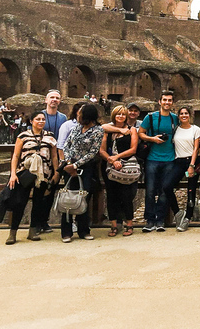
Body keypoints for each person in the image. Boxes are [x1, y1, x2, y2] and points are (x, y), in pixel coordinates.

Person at [5, 111, 59, 245]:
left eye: (43, 119)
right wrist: (13, 174)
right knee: (20, 202)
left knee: (39, 202)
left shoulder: (50, 137)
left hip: (44, 174)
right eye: (37, 119)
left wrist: (56, 173)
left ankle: (33, 230)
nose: (41, 121)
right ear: (31, 121)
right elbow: (16, 156)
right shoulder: (23, 136)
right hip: (25, 173)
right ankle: (13, 232)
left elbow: (54, 156)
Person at [59, 103, 104, 243]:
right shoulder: (77, 128)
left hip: (86, 168)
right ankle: (66, 232)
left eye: (80, 114)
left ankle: (84, 230)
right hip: (69, 166)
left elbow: (93, 152)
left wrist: (76, 165)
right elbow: (66, 145)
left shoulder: (98, 131)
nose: (77, 116)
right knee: (68, 197)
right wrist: (68, 162)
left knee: (83, 198)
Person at [138, 90, 179, 233]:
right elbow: (140, 133)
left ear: (172, 102)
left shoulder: (175, 118)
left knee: (163, 191)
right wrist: (153, 139)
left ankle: (160, 219)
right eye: (165, 100)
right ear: (159, 102)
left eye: (169, 100)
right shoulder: (150, 117)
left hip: (169, 159)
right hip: (152, 159)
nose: (167, 102)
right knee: (150, 191)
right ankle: (150, 220)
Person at [99, 105, 138, 237]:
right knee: (111, 196)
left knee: (126, 196)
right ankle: (114, 225)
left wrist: (117, 157)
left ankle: (129, 224)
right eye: (118, 114)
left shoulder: (132, 130)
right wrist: (111, 160)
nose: (120, 117)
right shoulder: (107, 131)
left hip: (126, 166)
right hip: (110, 167)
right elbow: (102, 149)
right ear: (114, 116)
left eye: (123, 114)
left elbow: (133, 149)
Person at [166, 106, 200, 232]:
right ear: (179, 116)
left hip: (191, 161)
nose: (184, 115)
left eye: (186, 113)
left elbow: (196, 148)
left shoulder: (195, 129)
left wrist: (192, 165)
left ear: (190, 115)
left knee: (190, 191)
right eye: (181, 114)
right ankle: (177, 212)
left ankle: (188, 217)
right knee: (167, 186)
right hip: (178, 161)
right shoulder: (176, 129)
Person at [39, 89, 67, 233]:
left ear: (59, 101)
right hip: (41, 157)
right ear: (46, 100)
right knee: (39, 189)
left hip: (56, 156)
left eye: (57, 98)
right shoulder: (40, 116)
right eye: (52, 97)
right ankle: (36, 222)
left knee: (51, 190)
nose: (54, 100)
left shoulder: (63, 118)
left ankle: (44, 222)